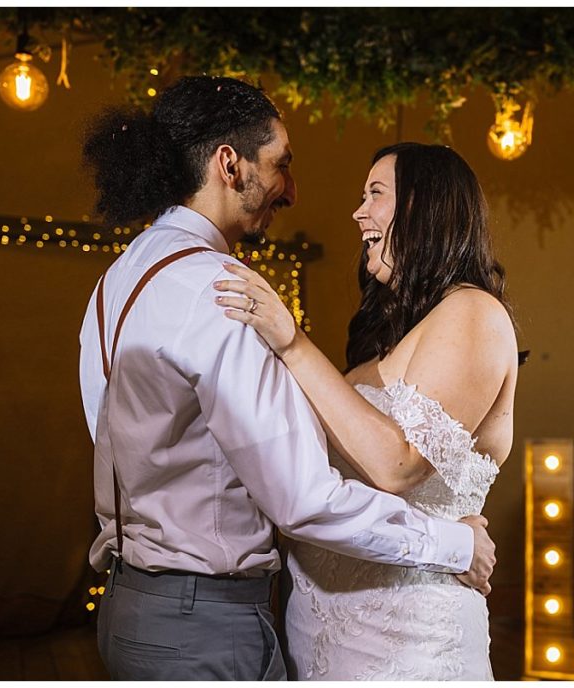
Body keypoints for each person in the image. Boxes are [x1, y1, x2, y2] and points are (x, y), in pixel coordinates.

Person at [78, 77, 495, 681]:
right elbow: (304, 498)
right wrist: (455, 546)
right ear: (229, 164)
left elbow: (111, 433)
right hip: (207, 624)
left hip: (131, 607)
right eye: (281, 165)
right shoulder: (223, 289)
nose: (293, 191)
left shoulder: (117, 280)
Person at [213, 142, 519, 680]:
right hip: (319, 629)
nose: (358, 213)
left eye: (375, 194)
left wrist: (293, 343)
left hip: (409, 640)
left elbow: (399, 466)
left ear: (424, 208)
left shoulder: (474, 313)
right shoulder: (383, 341)